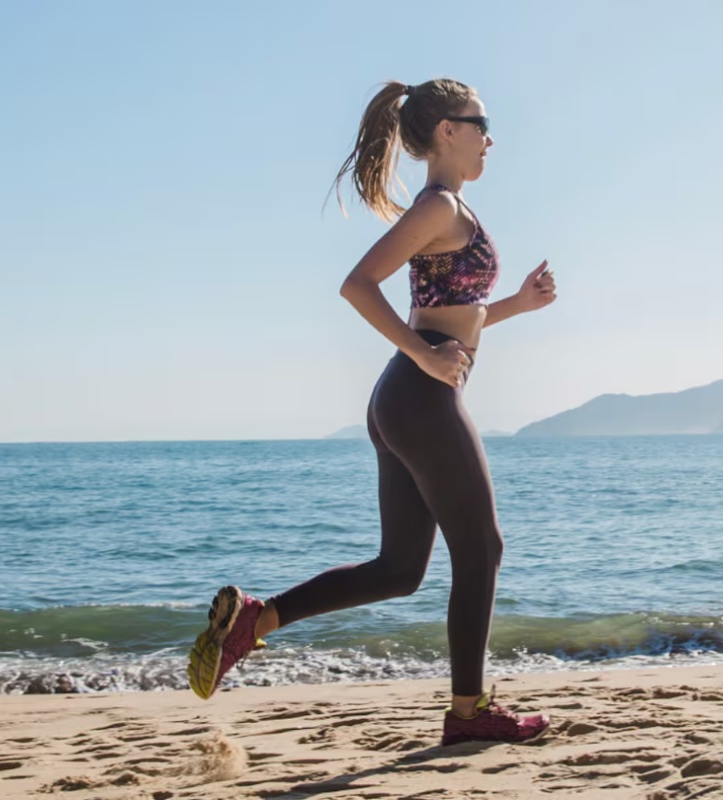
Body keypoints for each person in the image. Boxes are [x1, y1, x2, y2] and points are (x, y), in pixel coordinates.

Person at [187, 78, 557, 745]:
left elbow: (450, 313)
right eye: (482, 124)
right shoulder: (439, 206)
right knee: (482, 548)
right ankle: (468, 714)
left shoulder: (448, 209)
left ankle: (254, 620)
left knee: (400, 569)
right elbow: (357, 285)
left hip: (405, 399)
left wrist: (516, 307)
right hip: (419, 397)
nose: (490, 139)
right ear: (448, 130)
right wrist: (424, 356)